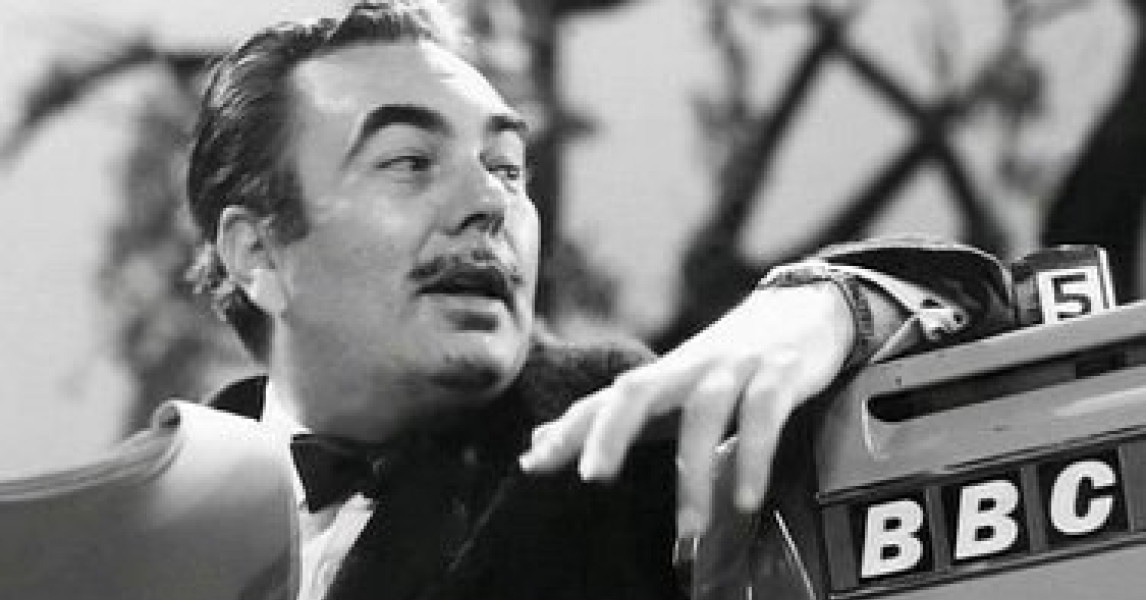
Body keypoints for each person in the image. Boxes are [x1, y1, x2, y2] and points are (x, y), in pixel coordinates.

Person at [185, 1, 1012, 599]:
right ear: (258, 253)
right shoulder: (150, 512)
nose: (490, 202)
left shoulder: (616, 443)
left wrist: (828, 308)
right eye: (409, 161)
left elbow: (991, 319)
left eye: (507, 167)